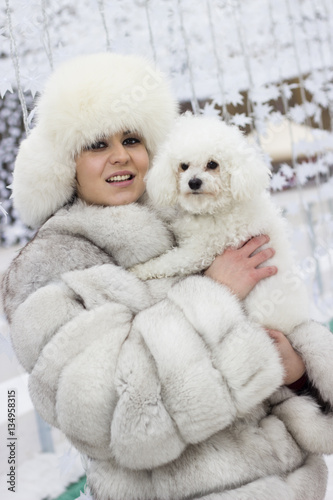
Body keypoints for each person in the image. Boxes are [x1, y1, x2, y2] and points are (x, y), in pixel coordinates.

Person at [2, 52, 333, 500]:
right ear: (66, 164)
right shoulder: (50, 265)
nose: (120, 156)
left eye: (132, 139)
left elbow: (280, 324)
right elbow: (118, 415)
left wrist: (299, 371)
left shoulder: (197, 215)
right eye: (98, 144)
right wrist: (213, 293)